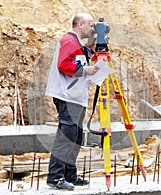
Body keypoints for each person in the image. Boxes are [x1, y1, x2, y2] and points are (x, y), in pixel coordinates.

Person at [45, 13, 98, 190]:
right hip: (66, 96)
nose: (92, 28)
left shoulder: (78, 43)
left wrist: (94, 36)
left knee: (76, 136)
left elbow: (89, 53)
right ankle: (55, 177)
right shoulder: (69, 40)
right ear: (79, 24)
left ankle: (70, 174)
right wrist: (85, 70)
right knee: (66, 135)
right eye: (90, 25)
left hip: (76, 96)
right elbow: (64, 65)